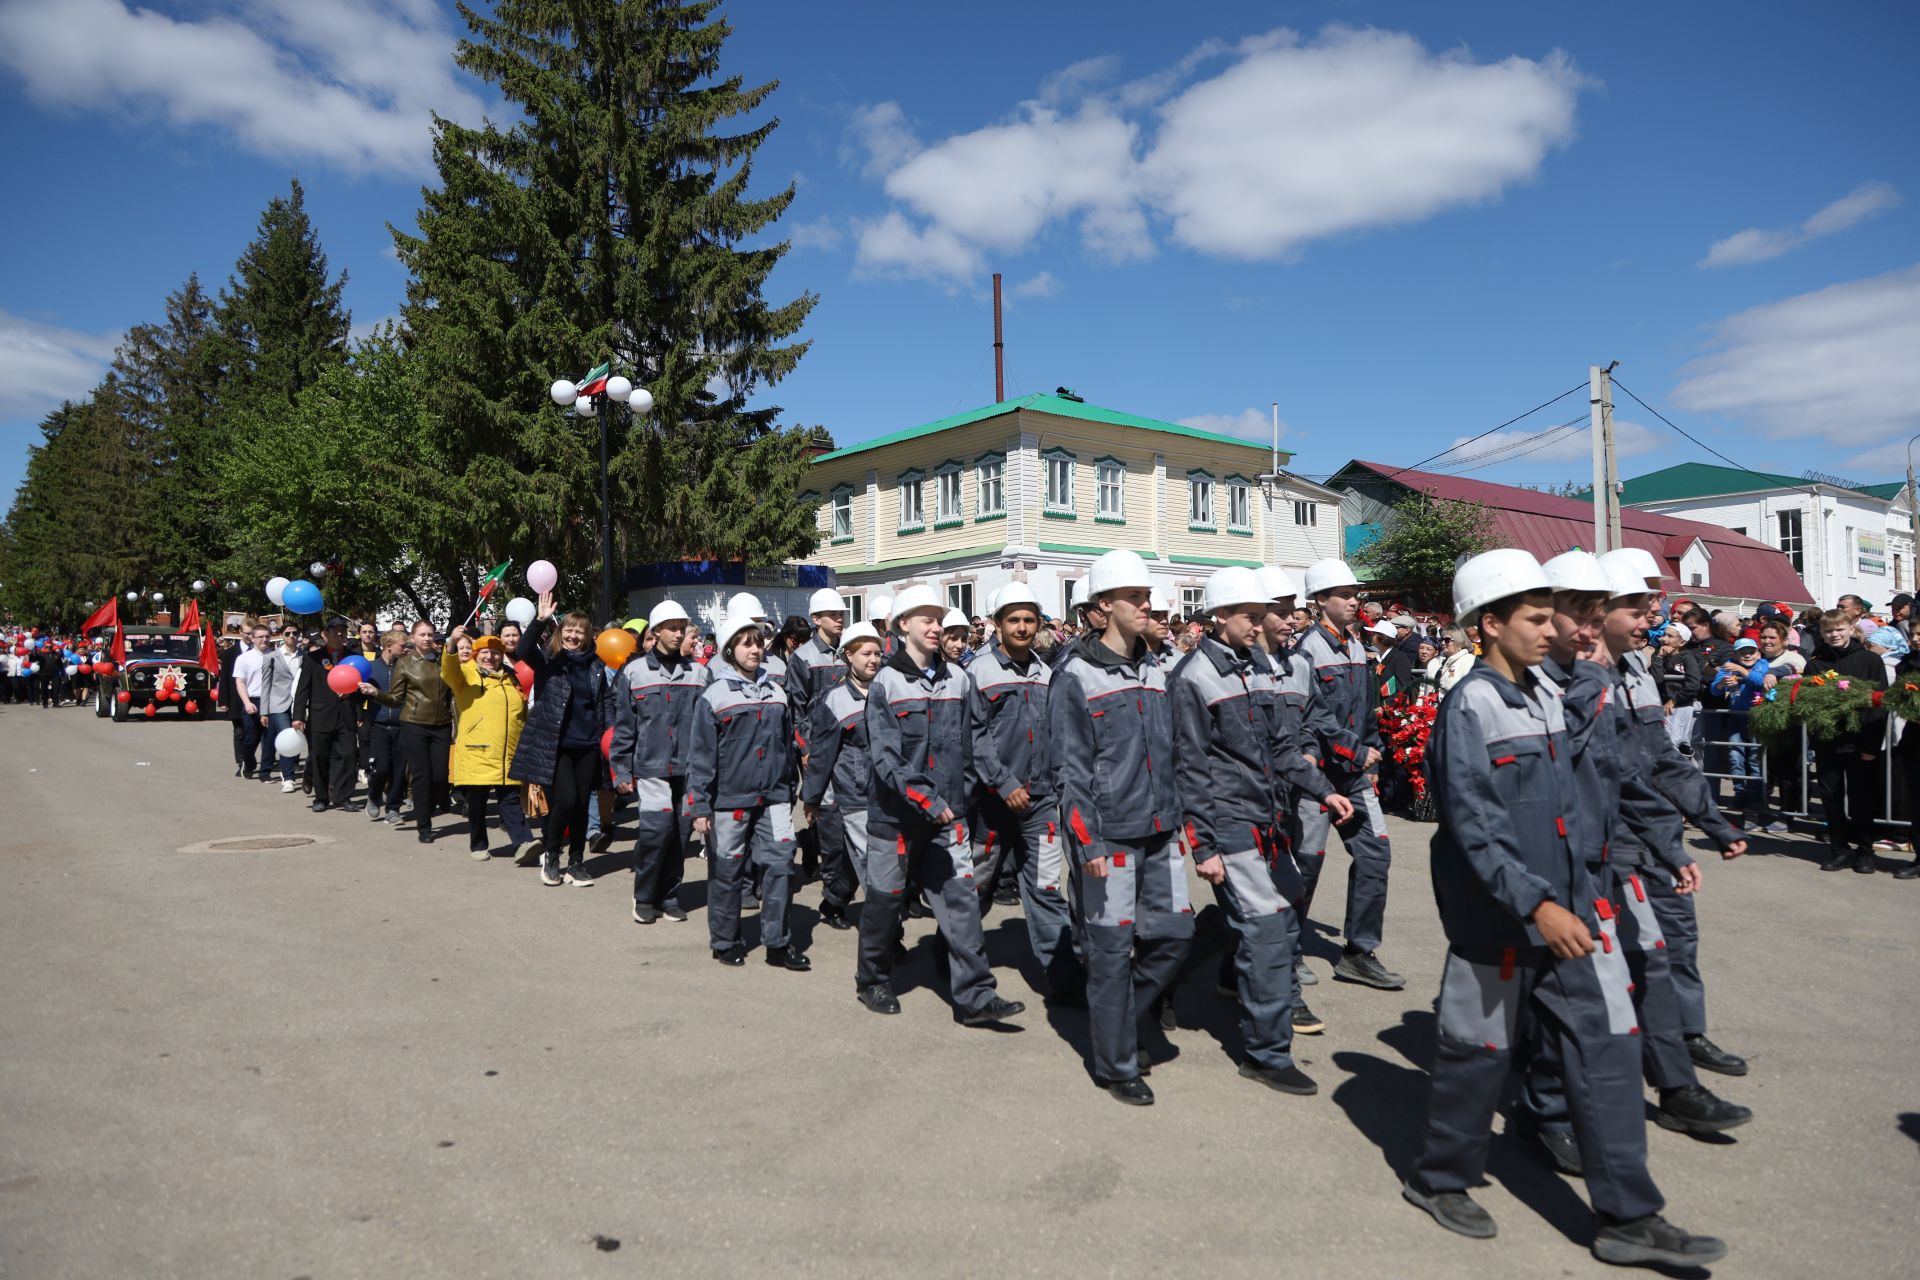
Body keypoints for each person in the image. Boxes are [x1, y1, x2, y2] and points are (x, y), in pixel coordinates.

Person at [1402, 548, 1726, 1269]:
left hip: (1578, 915)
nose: (1554, 630)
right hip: (1499, 922)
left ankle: (1630, 1218)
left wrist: (1591, 892)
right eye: (1538, 617)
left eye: (1558, 616)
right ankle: (1440, 1178)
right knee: (1475, 1057)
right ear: (1490, 624)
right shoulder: (1472, 704)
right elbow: (1474, 823)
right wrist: (1536, 904)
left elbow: (1590, 799)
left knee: (1608, 1053)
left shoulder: (1548, 693)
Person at [1520, 553, 1751, 1175]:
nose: (1650, 611)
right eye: (1634, 603)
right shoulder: (1548, 679)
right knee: (1565, 987)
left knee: (1645, 962)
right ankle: (1547, 1106)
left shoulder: (1631, 674)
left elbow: (1647, 765)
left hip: (1621, 845)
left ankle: (1674, 1087)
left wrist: (1695, 830)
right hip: (1571, 855)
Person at [1172, 566, 1351, 1097]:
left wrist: (1322, 789)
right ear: (1220, 616)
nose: (1262, 625)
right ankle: (1267, 1054)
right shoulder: (1192, 677)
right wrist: (1202, 845)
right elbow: (1190, 766)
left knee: (1287, 900)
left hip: (1267, 817)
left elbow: (1279, 747)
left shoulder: (1258, 666)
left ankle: (1191, 972)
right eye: (1251, 617)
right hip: (1228, 821)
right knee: (1268, 927)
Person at [1051, 551, 1189, 1104]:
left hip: (1162, 830)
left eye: (1146, 596)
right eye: (1134, 597)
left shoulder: (1158, 667)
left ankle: (1117, 1014)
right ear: (1103, 607)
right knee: (1110, 951)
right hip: (1109, 836)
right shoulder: (1074, 675)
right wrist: (1087, 841)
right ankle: (1116, 1062)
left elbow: (1177, 750)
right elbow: (1069, 769)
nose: (1146, 605)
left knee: (1177, 934)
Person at [855, 585, 1024, 1027]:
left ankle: (975, 996)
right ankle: (872, 977)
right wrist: (926, 799)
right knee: (886, 900)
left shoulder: (959, 679)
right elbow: (886, 758)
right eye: (926, 619)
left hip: (949, 816)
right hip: (895, 818)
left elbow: (978, 740)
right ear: (902, 626)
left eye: (939, 618)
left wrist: (975, 791)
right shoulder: (886, 684)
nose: (936, 626)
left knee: (961, 900)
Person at [965, 583, 1082, 998]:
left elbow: (1057, 735)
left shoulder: (1047, 674)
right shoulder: (978, 672)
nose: (1022, 627)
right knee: (975, 889)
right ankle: (955, 955)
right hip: (992, 806)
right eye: (1012, 619)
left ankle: (1065, 980)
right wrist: (1004, 782)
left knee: (1046, 888)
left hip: (1040, 804)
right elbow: (975, 738)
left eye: (1029, 619)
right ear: (997, 625)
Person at [1294, 559, 1401, 991]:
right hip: (1316, 776)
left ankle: (1359, 952)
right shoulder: (1306, 649)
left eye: (1356, 594)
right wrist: (1357, 750)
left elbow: (1366, 710)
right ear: (1320, 601)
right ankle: (1285, 949)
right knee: (1305, 864)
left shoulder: (1357, 647)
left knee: (1376, 856)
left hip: (1354, 776)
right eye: (1344, 594)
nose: (1355, 601)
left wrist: (1369, 758)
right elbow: (1313, 715)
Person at [687, 605, 808, 970]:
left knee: (780, 866)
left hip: (773, 798)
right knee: (727, 870)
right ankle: (725, 941)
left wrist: (789, 790)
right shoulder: (715, 696)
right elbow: (701, 756)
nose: (754, 650)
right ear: (729, 651)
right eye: (745, 645)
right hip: (728, 802)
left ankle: (778, 943)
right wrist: (700, 808)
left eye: (757, 644)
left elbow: (788, 747)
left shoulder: (777, 693)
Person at [609, 600, 707, 924]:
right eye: (673, 628)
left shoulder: (698, 673)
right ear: (655, 632)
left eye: (682, 628)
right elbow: (624, 727)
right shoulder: (634, 672)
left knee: (680, 834)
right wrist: (620, 768)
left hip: (689, 769)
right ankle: (644, 896)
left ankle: (669, 896)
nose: (679, 634)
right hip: (651, 768)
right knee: (655, 831)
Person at [509, 594, 606, 885]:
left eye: (580, 630)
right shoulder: (548, 661)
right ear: (560, 631)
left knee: (580, 804)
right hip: (557, 744)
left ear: (588, 636)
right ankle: (551, 855)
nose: (574, 635)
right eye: (569, 629)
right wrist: (539, 620)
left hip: (588, 744)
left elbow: (604, 703)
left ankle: (576, 862)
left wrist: (607, 733)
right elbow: (524, 648)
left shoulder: (596, 666)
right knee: (567, 800)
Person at [803, 622, 883, 931]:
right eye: (865, 653)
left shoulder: (888, 691)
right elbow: (822, 756)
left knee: (865, 861)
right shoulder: (835, 700)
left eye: (877, 653)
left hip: (887, 792)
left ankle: (835, 900)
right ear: (848, 655)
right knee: (866, 863)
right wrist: (812, 799)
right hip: (853, 793)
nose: (873, 660)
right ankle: (886, 934)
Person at [1806, 609, 1888, 874]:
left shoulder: (1868, 661)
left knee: (1862, 798)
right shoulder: (1816, 663)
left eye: (1839, 629)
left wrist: (1871, 746)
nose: (1834, 635)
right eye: (1828, 630)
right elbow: (1807, 702)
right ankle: (1839, 850)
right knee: (1830, 796)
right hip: (1827, 741)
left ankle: (1865, 851)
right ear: (1822, 633)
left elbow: (1878, 704)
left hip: (1859, 741)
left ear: (1851, 629)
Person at [437, 628, 528, 860]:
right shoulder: (466, 673)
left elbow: (520, 711)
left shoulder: (510, 677)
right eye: (485, 652)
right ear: (476, 654)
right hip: (477, 751)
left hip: (507, 752)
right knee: (477, 803)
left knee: (510, 800)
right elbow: (449, 672)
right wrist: (451, 645)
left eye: (496, 653)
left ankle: (524, 842)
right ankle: (478, 845)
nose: (490, 657)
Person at [290, 618, 361, 813]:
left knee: (348, 756)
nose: (339, 635)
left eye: (342, 631)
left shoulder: (354, 657)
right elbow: (303, 689)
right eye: (335, 631)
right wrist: (298, 716)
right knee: (321, 757)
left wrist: (357, 708)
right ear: (325, 634)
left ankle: (343, 796)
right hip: (320, 715)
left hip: (346, 715)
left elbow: (360, 687)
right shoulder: (313, 658)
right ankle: (321, 798)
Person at [362, 629, 409, 822]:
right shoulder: (371, 668)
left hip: (402, 725)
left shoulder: (405, 667)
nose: (406, 649)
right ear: (389, 646)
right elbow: (358, 694)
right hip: (378, 725)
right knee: (381, 768)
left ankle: (393, 808)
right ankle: (373, 796)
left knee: (399, 770)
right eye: (402, 646)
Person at [259, 623, 305, 792]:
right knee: (288, 735)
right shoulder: (271, 657)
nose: (292, 636)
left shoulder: (305, 656)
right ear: (281, 635)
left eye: (295, 633)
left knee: (297, 736)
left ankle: (293, 769)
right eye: (288, 633)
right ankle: (288, 777)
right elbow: (266, 685)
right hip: (278, 704)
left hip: (298, 703)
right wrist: (264, 711)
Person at [230, 624, 270, 780]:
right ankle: (248, 762)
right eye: (260, 637)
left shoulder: (274, 655)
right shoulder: (244, 658)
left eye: (267, 636)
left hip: (272, 701)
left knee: (269, 738)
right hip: (253, 701)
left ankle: (265, 771)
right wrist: (247, 702)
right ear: (253, 638)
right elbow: (240, 682)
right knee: (250, 738)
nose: (264, 640)